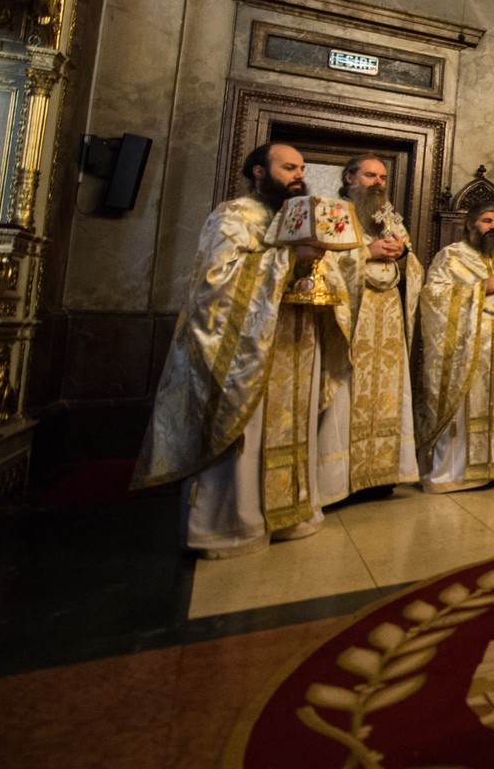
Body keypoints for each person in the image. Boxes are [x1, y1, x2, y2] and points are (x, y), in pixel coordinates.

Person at [133, 143, 353, 557]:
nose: (299, 175)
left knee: (293, 428)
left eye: (301, 168)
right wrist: (288, 260)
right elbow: (216, 283)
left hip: (297, 345)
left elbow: (328, 279)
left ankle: (290, 514)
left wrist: (318, 265)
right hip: (249, 351)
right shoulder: (233, 216)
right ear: (258, 171)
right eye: (288, 167)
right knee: (247, 435)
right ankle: (233, 525)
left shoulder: (298, 218)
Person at [415, 205, 494, 492]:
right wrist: (480, 288)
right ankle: (453, 472)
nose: (493, 227)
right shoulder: (450, 256)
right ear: (470, 224)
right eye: (487, 221)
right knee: (465, 405)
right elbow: (432, 296)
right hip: (467, 347)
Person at [332, 155, 422, 494]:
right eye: (371, 175)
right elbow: (322, 262)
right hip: (351, 318)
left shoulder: (388, 216)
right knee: (346, 393)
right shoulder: (334, 213)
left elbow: (412, 262)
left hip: (388, 319)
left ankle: (383, 475)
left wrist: (403, 254)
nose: (378, 183)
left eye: (382, 177)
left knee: (387, 395)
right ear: (350, 177)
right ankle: (341, 480)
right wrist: (366, 252)